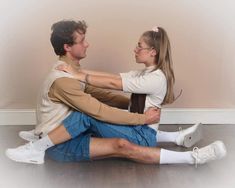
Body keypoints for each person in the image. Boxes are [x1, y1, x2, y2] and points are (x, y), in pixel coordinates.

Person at [6, 20, 226, 166]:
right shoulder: (65, 79)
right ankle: (38, 144)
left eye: (139, 46)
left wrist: (79, 74)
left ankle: (184, 147)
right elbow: (103, 97)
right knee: (92, 118)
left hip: (133, 130)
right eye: (82, 41)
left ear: (152, 52)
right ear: (67, 47)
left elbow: (108, 86)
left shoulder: (153, 77)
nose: (88, 44)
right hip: (60, 145)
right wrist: (139, 115)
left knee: (99, 121)